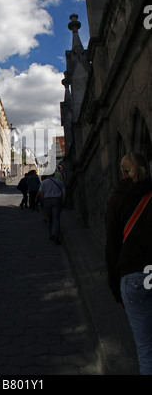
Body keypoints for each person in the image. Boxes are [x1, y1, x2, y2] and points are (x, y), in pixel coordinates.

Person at [105, 152, 152, 375]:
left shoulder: (116, 199)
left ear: (122, 172)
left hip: (132, 277)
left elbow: (112, 249)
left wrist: (116, 291)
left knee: (146, 348)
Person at [38, 171, 66, 244]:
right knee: (56, 218)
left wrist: (44, 199)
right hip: (57, 200)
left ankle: (51, 234)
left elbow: (40, 192)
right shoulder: (59, 182)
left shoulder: (44, 182)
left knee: (49, 218)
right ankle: (55, 234)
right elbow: (64, 192)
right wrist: (62, 201)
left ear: (48, 175)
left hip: (47, 200)